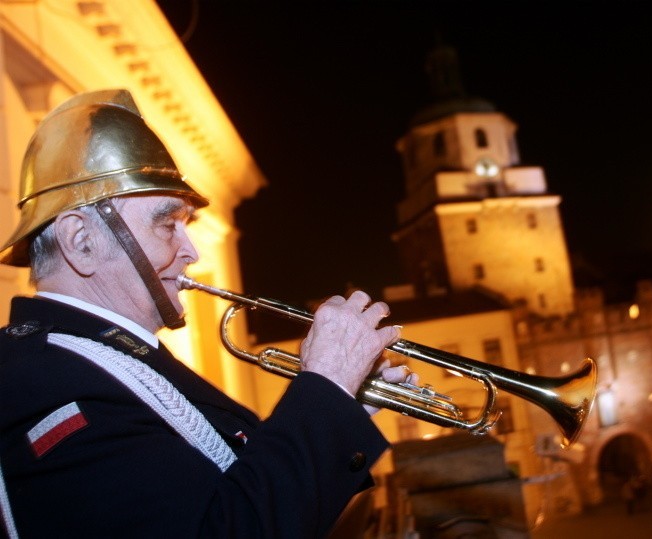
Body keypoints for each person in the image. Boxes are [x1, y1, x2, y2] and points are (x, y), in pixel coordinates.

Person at [0, 89, 414, 538]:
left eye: (187, 225)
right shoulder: (48, 383)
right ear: (82, 240)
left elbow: (238, 483)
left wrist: (342, 407)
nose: (192, 252)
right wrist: (326, 389)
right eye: (166, 224)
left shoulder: (108, 360)